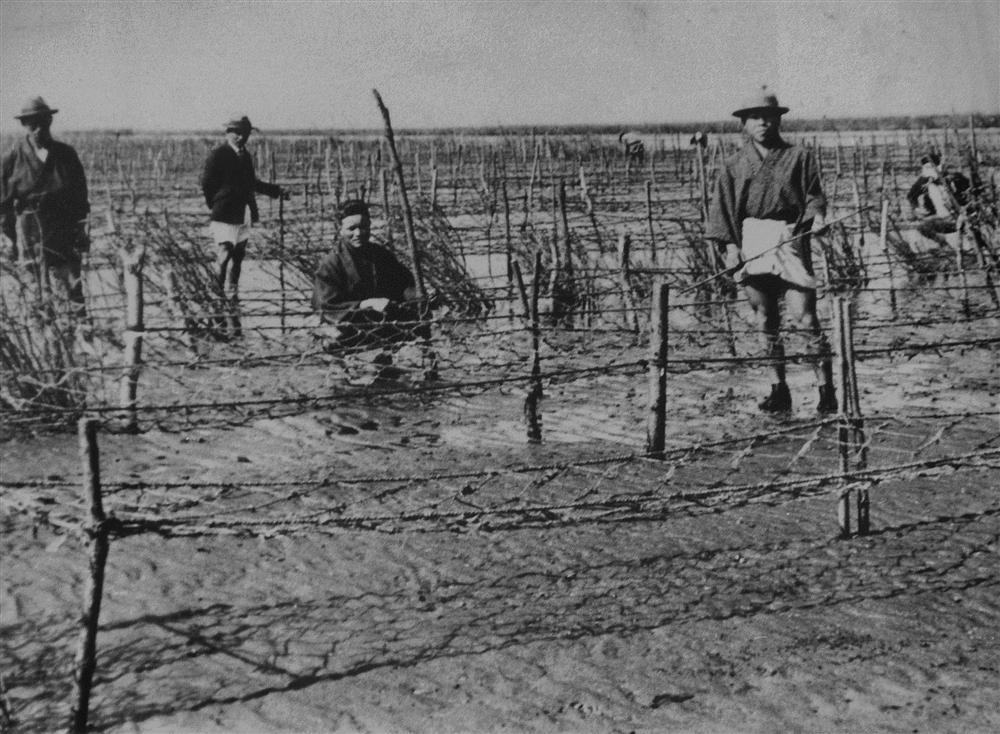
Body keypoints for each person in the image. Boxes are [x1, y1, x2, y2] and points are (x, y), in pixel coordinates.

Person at [706, 86, 836, 414]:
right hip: (752, 240)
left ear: (778, 120)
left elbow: (814, 197)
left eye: (768, 117)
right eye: (754, 118)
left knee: (806, 319)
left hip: (789, 238)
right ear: (744, 124)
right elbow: (724, 210)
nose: (762, 123)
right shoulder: (733, 165)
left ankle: (826, 390)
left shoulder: (800, 157)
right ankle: (779, 389)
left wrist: (818, 218)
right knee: (765, 319)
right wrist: (731, 248)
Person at [1, 96, 90, 320]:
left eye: (43, 122)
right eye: (33, 125)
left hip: (63, 225)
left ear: (50, 121)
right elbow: (3, 203)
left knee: (72, 283)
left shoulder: (66, 155)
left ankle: (80, 327)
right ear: (24, 125)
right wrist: (9, 238)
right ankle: (43, 326)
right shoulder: (13, 157)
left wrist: (81, 229)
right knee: (36, 285)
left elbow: (80, 197)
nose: (39, 129)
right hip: (30, 227)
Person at [200, 114, 287, 335]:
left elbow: (252, 183)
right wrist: (216, 203)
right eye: (237, 133)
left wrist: (277, 191)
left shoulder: (245, 156)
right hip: (225, 213)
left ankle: (232, 292)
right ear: (228, 133)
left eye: (245, 133)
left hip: (244, 211)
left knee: (239, 255)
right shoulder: (219, 154)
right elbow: (207, 183)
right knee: (224, 253)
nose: (241, 137)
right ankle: (217, 294)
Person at [312, 199, 425, 361]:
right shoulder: (331, 264)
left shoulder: (381, 254)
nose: (359, 233)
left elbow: (403, 284)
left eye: (363, 227)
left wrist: (419, 295)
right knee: (336, 344)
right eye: (352, 228)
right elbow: (327, 306)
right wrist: (365, 304)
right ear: (340, 230)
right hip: (349, 327)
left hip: (382, 323)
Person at [906, 153, 971, 249]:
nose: (930, 171)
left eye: (932, 167)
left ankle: (973, 245)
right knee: (922, 227)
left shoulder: (953, 178)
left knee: (970, 229)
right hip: (942, 218)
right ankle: (944, 244)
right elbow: (911, 196)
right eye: (927, 168)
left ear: (938, 167)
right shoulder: (924, 181)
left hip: (961, 216)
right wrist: (917, 210)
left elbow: (971, 190)